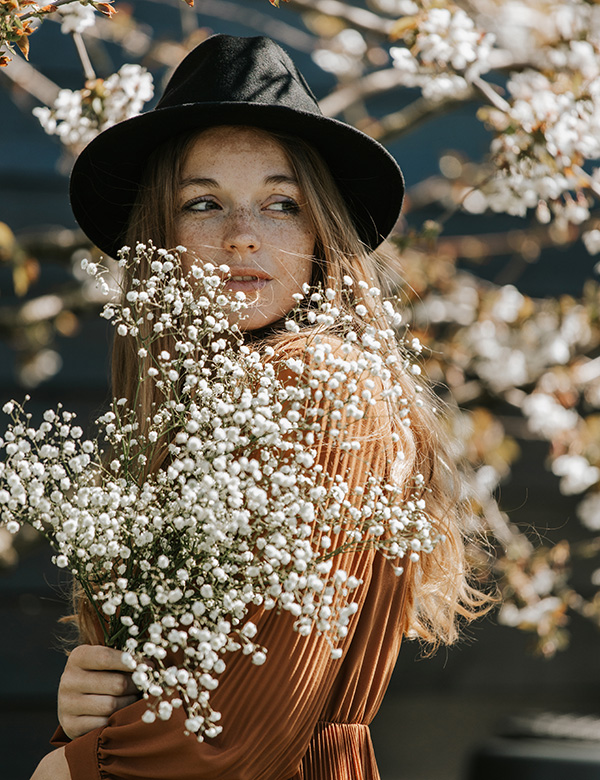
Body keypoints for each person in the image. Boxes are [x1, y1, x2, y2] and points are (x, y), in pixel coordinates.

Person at [30, 33, 490, 780]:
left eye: (281, 203)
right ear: (160, 235)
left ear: (319, 235)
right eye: (203, 202)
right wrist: (98, 703)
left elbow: (240, 733)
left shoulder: (316, 383)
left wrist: (72, 771)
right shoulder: (204, 407)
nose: (242, 237)